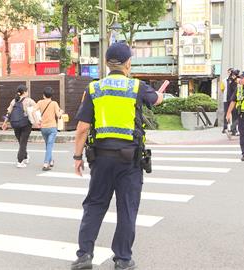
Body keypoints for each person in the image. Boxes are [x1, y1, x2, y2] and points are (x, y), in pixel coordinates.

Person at [71, 42, 163, 270]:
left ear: (106, 63)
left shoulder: (94, 89)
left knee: (94, 205)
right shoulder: (137, 87)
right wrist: (158, 94)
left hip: (100, 159)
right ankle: (122, 259)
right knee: (127, 208)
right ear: (128, 63)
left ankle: (84, 256)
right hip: (129, 160)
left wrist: (77, 157)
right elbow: (157, 100)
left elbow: (82, 127)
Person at [2, 85, 36, 168]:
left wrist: (5, 122)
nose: (28, 92)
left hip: (15, 124)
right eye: (27, 91)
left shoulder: (14, 101)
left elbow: (8, 113)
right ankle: (20, 161)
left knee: (21, 142)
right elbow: (37, 109)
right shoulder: (29, 101)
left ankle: (25, 156)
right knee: (23, 142)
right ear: (24, 92)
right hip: (26, 124)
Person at [35, 87, 63, 171]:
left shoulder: (40, 102)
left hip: (43, 128)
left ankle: (51, 161)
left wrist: (37, 121)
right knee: (49, 145)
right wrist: (61, 111)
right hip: (52, 128)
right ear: (51, 95)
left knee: (48, 145)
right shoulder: (54, 103)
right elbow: (58, 116)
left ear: (43, 95)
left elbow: (33, 111)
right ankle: (46, 163)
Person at [223, 69, 239, 136]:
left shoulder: (235, 80)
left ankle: (233, 130)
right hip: (229, 100)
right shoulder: (228, 81)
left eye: (234, 75)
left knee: (235, 115)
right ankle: (226, 128)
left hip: (234, 100)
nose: (233, 76)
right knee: (228, 114)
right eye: (232, 74)